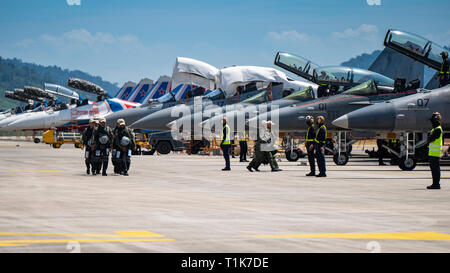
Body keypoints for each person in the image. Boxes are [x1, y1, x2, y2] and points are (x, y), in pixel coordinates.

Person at [427, 112, 443, 190]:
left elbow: (430, 139)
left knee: (435, 169)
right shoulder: (434, 129)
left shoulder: (438, 129)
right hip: (432, 153)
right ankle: (435, 183)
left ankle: (436, 184)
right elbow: (429, 139)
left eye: (433, 120)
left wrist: (430, 137)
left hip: (435, 153)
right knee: (433, 169)